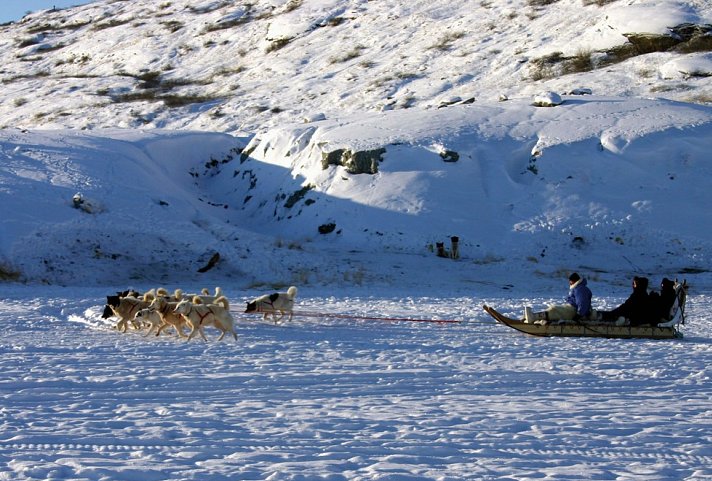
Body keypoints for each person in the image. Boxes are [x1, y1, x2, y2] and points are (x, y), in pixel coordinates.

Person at [524, 272, 592, 324]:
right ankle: (534, 316)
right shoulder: (578, 288)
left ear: (574, 281)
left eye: (570, 281)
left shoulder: (580, 289)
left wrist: (579, 315)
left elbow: (582, 302)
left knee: (555, 310)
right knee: (553, 309)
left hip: (574, 311)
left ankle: (534, 317)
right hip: (572, 309)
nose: (569, 283)